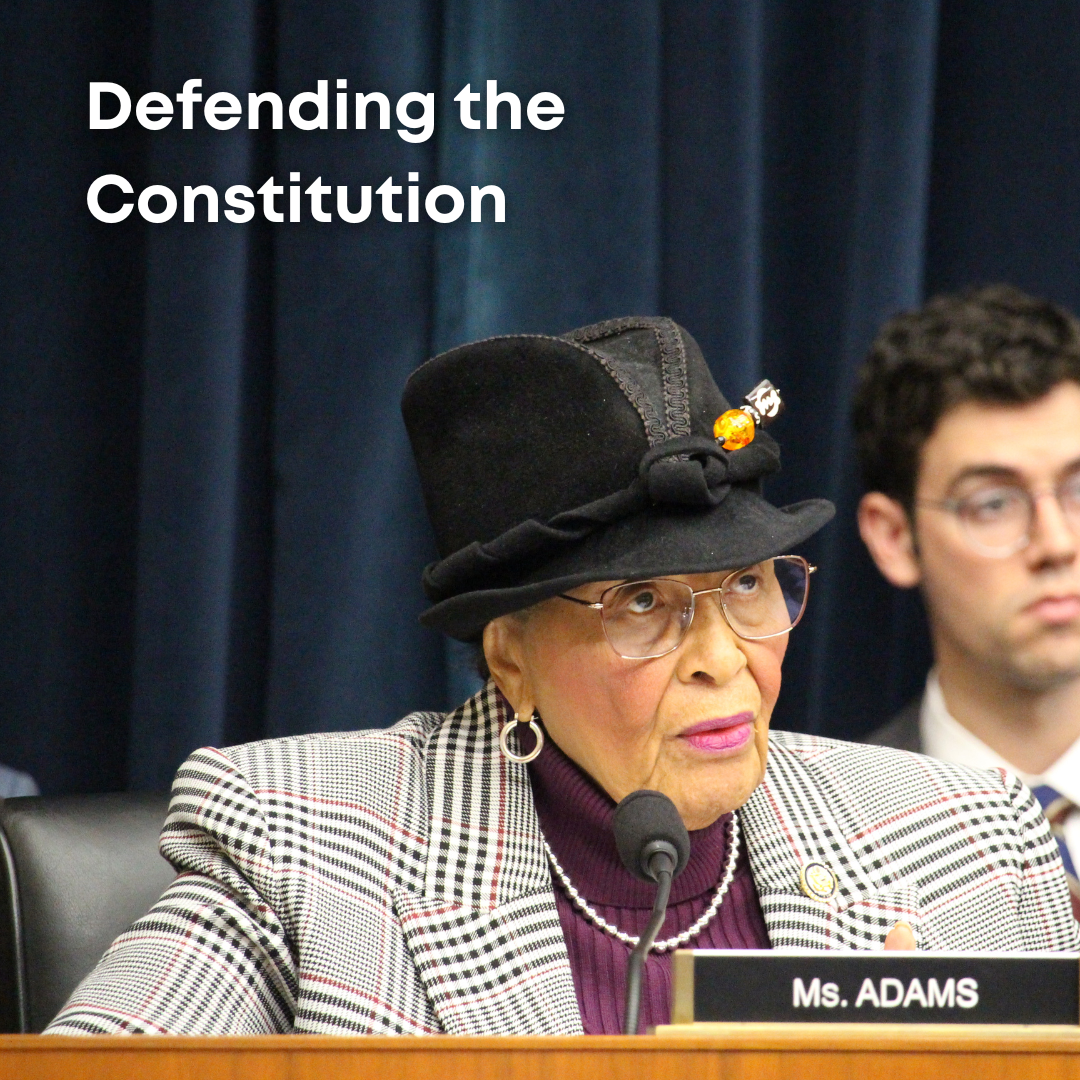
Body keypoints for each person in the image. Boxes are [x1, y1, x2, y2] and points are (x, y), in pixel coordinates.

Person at [48, 316, 1076, 1037]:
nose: (724, 659)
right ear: (511, 660)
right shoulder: (304, 846)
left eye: (750, 587)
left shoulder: (969, 839)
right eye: (642, 605)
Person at [855, 286, 1080, 914]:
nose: (1057, 544)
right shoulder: (816, 840)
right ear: (894, 537)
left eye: (1079, 489)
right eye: (993, 504)